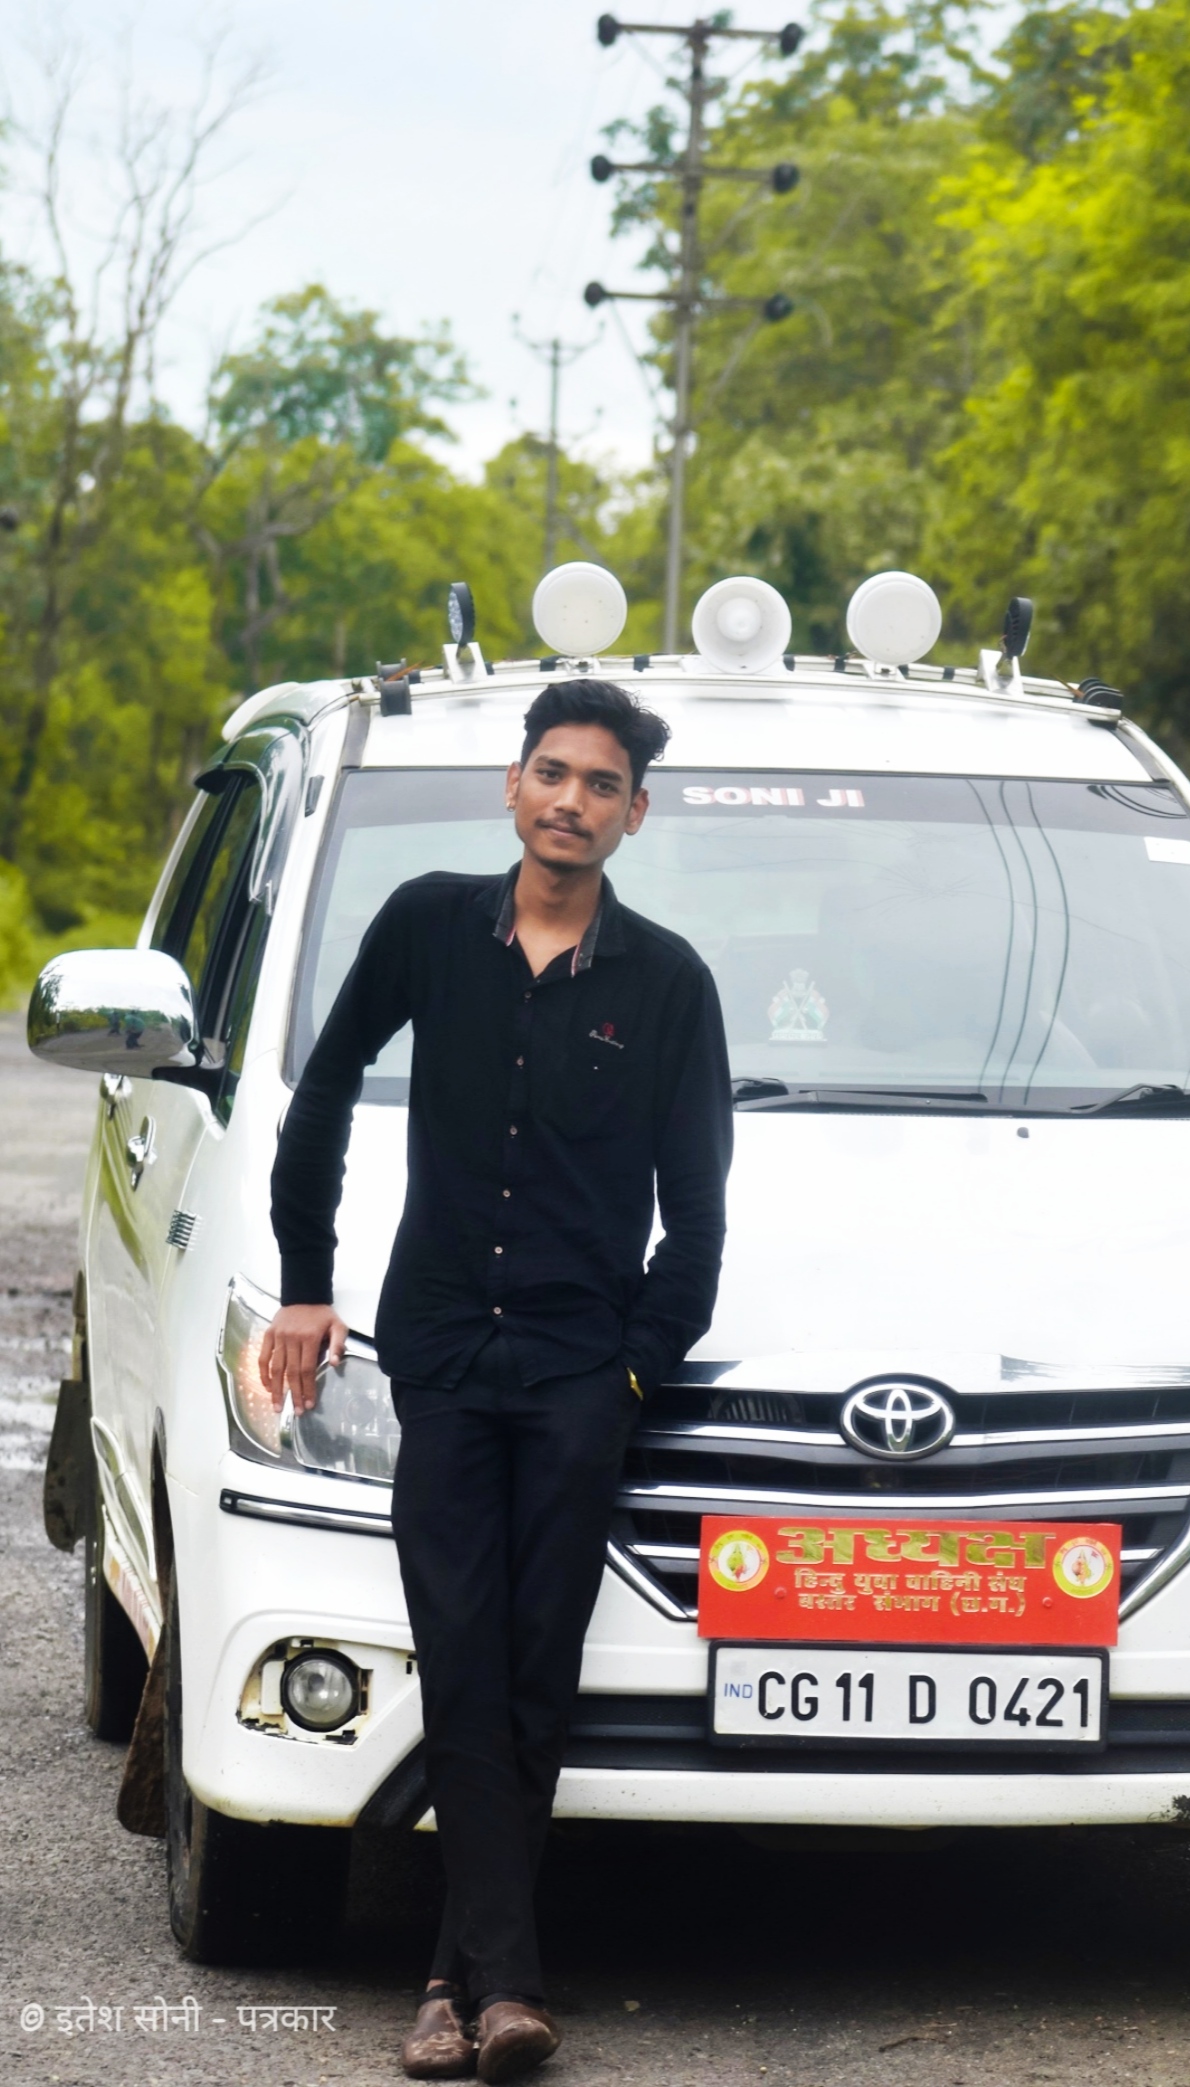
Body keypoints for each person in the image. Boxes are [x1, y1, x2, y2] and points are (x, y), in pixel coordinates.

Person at [261, 680, 733, 2083]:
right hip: (447, 1357)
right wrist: (305, 1280)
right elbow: (324, 1089)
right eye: (553, 773)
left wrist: (638, 1368)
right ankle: (509, 1987)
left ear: (634, 815)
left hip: (584, 1372)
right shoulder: (426, 925)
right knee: (462, 1649)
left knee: (535, 1670)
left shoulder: (669, 983)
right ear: (513, 786)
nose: (571, 800)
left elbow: (699, 1213)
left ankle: (446, 1990)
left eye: (602, 784)